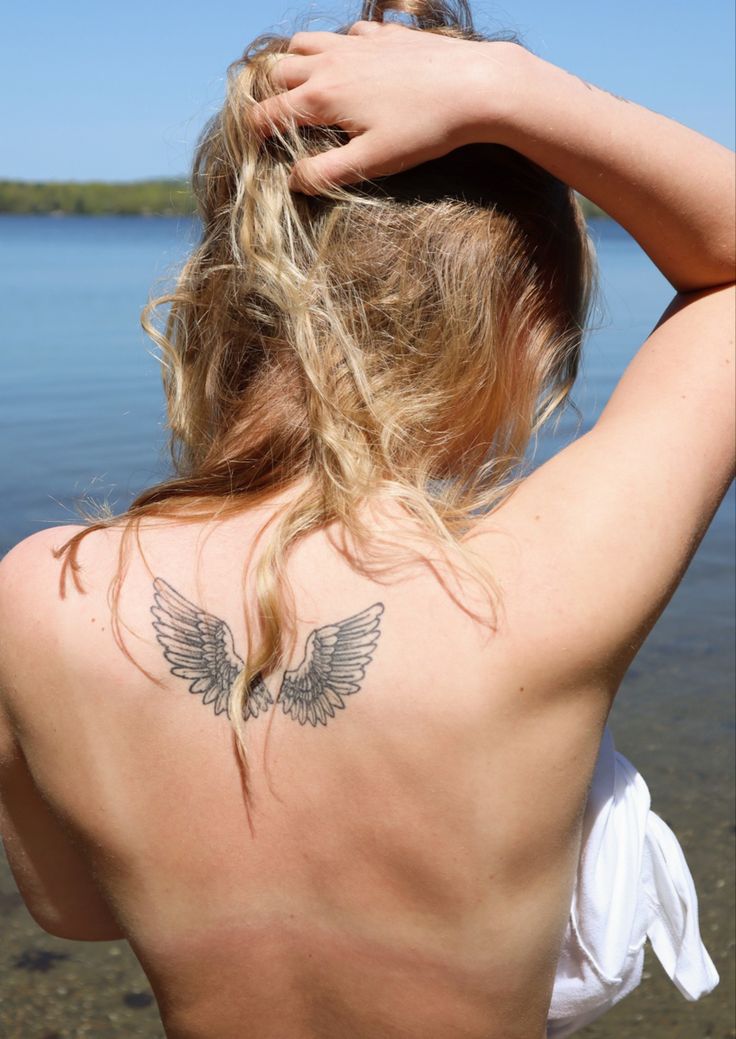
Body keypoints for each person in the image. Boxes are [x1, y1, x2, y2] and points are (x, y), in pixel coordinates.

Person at [0, 1, 733, 1037]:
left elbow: (70, 909)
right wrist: (510, 92)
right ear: (518, 318)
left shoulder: (44, 595)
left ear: (230, 289)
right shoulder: (527, 590)